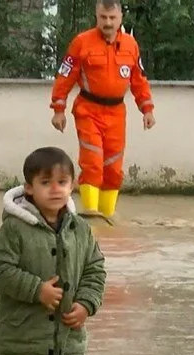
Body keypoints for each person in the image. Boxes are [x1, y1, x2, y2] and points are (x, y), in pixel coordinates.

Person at [0, 147, 107, 355]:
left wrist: (86, 304)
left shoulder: (81, 230)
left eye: (62, 182)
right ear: (29, 188)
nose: (55, 189)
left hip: (65, 342)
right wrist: (36, 290)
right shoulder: (14, 229)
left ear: (73, 185)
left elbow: (95, 270)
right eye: (45, 182)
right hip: (21, 341)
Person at [50, 0, 156, 219]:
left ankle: (108, 219)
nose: (108, 23)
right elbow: (65, 76)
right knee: (93, 163)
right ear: (97, 17)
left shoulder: (130, 45)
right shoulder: (81, 42)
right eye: (103, 18)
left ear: (120, 19)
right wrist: (58, 108)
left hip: (117, 113)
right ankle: (90, 218)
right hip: (88, 110)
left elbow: (139, 80)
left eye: (112, 18)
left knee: (114, 168)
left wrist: (147, 108)